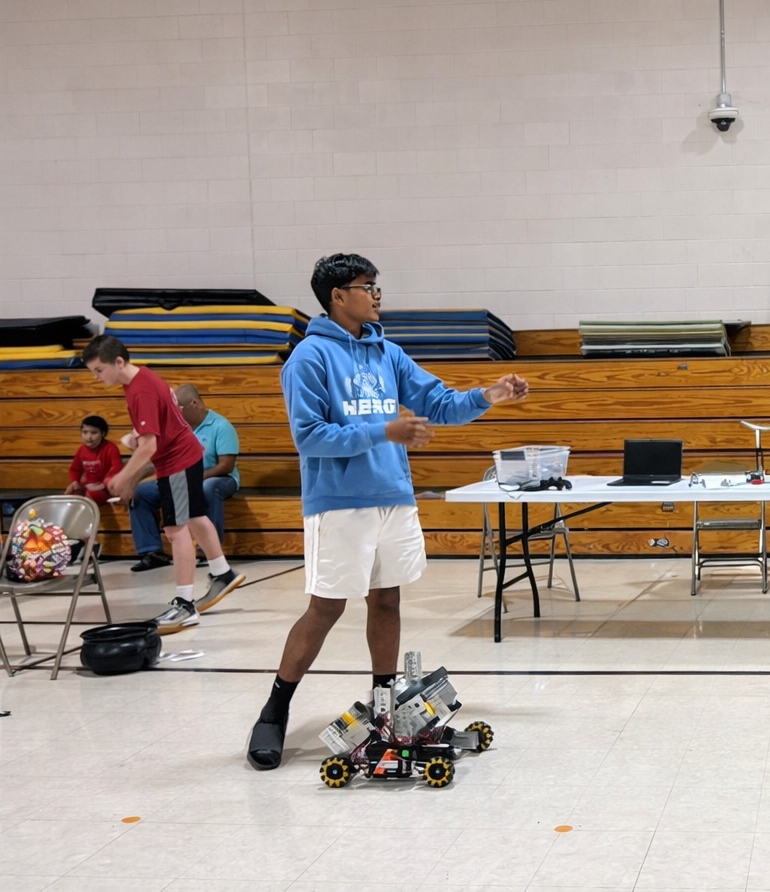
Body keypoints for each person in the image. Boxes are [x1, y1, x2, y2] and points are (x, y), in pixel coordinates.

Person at [247, 253, 529, 771]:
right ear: (338, 296)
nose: (377, 295)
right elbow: (310, 438)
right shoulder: (308, 359)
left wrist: (489, 395)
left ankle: (383, 704)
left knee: (388, 603)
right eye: (367, 286)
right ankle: (275, 708)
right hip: (339, 504)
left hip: (393, 497)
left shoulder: (387, 352)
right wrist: (385, 430)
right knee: (325, 609)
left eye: (377, 286)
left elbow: (440, 402)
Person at [82, 335, 244, 633]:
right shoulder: (142, 377)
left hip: (177, 463)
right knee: (195, 517)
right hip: (187, 455)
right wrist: (135, 434)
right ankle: (222, 572)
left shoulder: (139, 390)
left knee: (176, 530)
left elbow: (148, 446)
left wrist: (124, 475)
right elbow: (163, 407)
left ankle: (185, 604)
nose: (97, 377)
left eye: (99, 370)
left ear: (118, 362)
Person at [127, 384, 242, 573]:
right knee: (142, 493)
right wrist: (133, 480)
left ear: (194, 404)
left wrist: (194, 479)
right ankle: (152, 551)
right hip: (180, 477)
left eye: (178, 408)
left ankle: (209, 552)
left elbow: (225, 465)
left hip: (220, 478)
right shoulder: (175, 429)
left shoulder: (221, 426)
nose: (175, 413)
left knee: (207, 488)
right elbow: (156, 459)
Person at [65, 415, 122, 505]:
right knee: (70, 494)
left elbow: (117, 468)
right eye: (85, 432)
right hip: (88, 487)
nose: (88, 437)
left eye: (94, 433)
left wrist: (103, 484)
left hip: (107, 490)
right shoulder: (81, 449)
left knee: (92, 494)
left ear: (103, 433)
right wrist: (74, 481)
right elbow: (75, 469)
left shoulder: (110, 447)